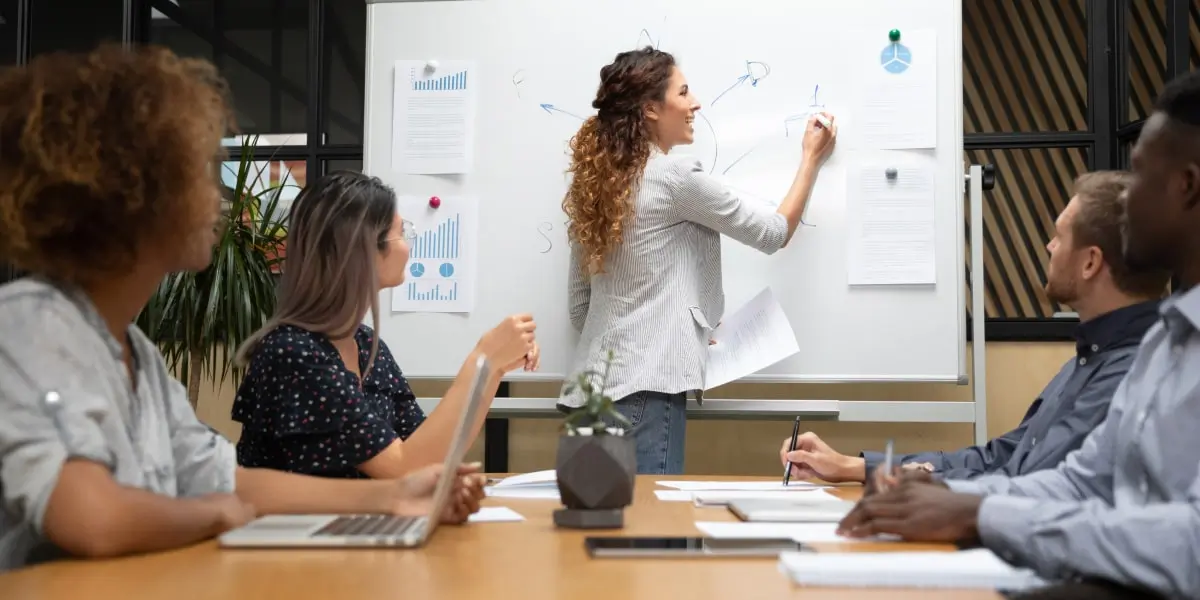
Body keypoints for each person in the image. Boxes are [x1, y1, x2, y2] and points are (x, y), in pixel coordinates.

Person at [0, 45, 484, 572]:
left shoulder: (134, 350)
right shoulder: (31, 323)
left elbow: (228, 480)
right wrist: (213, 514)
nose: (216, 201)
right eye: (198, 177)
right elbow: (94, 518)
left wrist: (394, 497)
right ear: (132, 197)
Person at [836, 69, 1200, 600]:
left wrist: (978, 510)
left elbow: (1189, 545)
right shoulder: (1165, 343)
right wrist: (949, 498)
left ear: (1186, 186)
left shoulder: (1139, 352)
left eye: (1140, 174)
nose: (1128, 203)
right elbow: (1082, 479)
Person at [778, 171, 1170, 483]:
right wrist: (855, 467)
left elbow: (1020, 485)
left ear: (1090, 263)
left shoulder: (1130, 375)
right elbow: (1001, 459)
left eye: (1060, 236)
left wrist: (902, 487)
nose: (1050, 247)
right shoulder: (1089, 362)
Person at [558, 46, 837, 474]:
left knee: (602, 536)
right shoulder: (674, 178)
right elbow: (773, 232)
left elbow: (582, 309)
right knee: (653, 536)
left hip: (587, 399)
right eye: (683, 92)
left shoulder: (595, 186)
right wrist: (811, 159)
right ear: (651, 108)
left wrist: (678, 325)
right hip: (645, 398)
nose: (695, 103)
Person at [230, 172, 539, 479]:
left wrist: (495, 369)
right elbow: (402, 467)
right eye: (402, 233)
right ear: (364, 250)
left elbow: (429, 455)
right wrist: (483, 360)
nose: (408, 247)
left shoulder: (366, 344)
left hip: (361, 525)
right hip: (293, 527)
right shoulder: (293, 353)